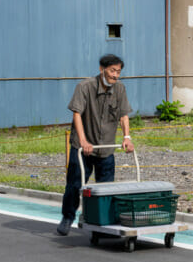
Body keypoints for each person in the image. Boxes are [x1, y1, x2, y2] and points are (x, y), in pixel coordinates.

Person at [57, 54, 135, 235]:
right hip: (83, 147)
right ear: (101, 69)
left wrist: (127, 137)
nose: (115, 75)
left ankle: (101, 225)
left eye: (118, 71)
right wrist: (84, 141)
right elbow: (77, 114)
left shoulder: (120, 89)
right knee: (75, 185)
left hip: (105, 147)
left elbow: (123, 115)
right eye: (112, 71)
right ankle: (68, 217)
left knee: (106, 190)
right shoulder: (85, 87)